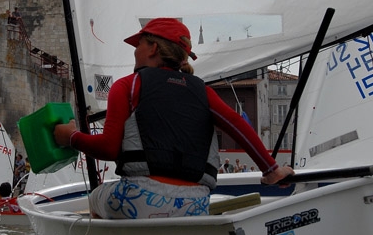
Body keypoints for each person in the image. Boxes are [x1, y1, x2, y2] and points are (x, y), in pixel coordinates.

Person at [53, 18, 294, 220]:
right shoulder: (203, 91)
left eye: (139, 44)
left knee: (96, 198)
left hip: (139, 199)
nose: (135, 50)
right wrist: (270, 169)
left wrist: (71, 137)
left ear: (153, 48)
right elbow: (238, 126)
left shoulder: (127, 85)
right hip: (195, 205)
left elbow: (108, 148)